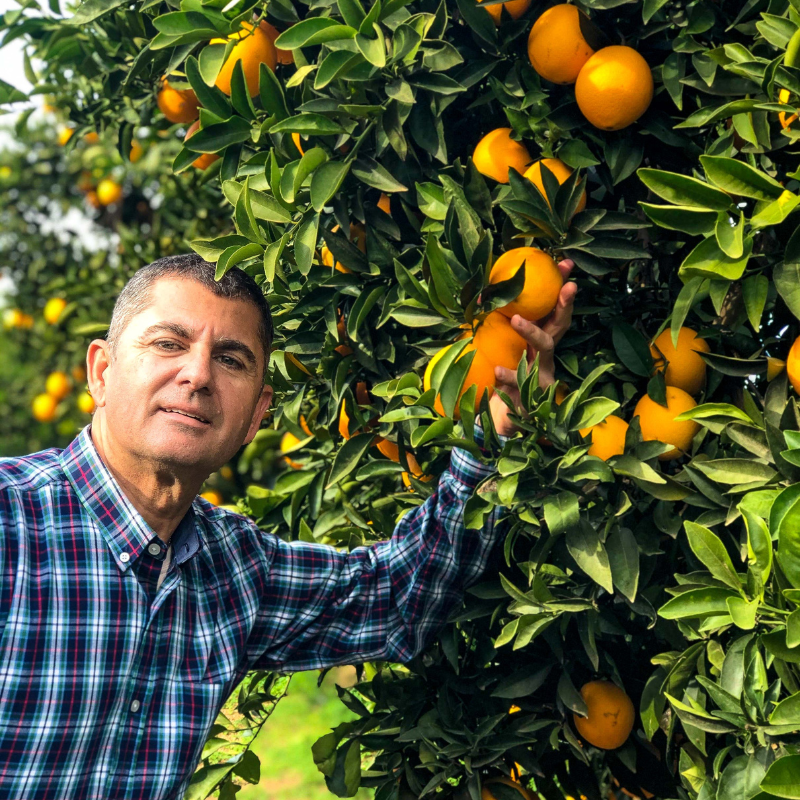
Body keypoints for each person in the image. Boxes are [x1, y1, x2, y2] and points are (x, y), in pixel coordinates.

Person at [0, 253, 575, 799]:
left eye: (230, 359)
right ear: (101, 372)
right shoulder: (13, 523)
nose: (198, 374)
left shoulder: (236, 569)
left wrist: (498, 430)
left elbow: (400, 595)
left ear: (256, 415)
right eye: (168, 343)